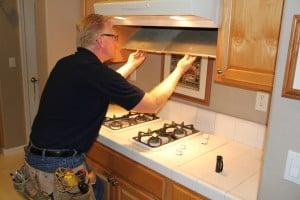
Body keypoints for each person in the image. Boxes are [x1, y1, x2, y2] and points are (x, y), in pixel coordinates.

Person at [24, 14, 196, 199]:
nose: (116, 40)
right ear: (100, 40)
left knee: (97, 188)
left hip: (37, 156)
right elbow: (152, 104)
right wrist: (178, 70)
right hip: (59, 165)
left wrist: (130, 65)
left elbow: (103, 84)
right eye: (113, 36)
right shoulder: (96, 72)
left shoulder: (67, 63)